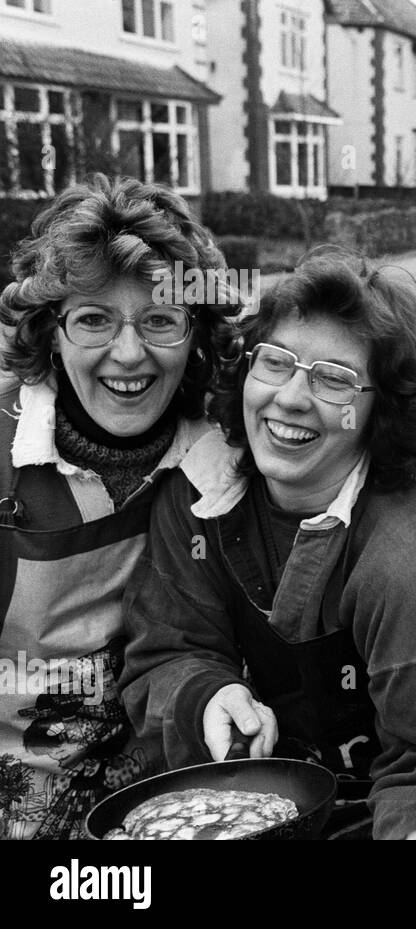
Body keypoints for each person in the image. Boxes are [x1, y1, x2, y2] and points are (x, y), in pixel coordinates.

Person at [121, 255, 416, 840]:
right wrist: (205, 696)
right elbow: (166, 652)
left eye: (334, 378)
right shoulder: (195, 493)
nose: (292, 398)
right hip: (231, 809)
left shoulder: (406, 559)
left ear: (380, 411)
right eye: (276, 362)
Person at [0, 175, 235, 839]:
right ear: (52, 332)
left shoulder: (229, 458)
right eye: (94, 318)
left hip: (171, 810)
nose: (128, 354)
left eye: (159, 319)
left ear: (195, 334)